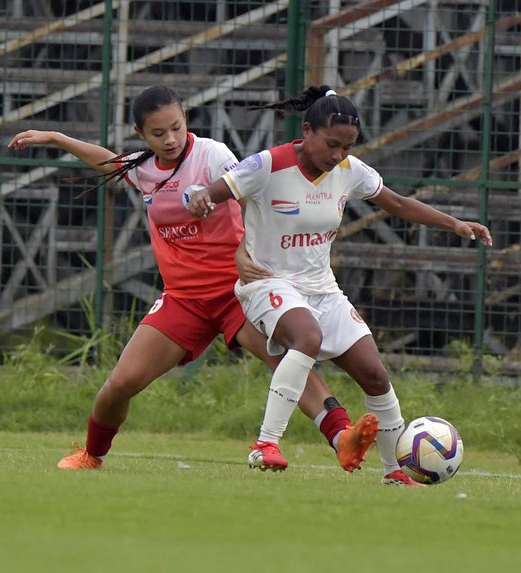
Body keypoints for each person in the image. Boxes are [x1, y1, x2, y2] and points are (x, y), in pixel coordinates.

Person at [8, 85, 378, 473]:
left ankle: (343, 437)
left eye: (176, 127)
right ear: (140, 134)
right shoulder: (145, 169)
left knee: (287, 360)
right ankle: (92, 454)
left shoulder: (212, 154)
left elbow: (251, 196)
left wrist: (241, 251)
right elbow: (109, 162)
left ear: (185, 119)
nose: (169, 139)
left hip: (238, 290)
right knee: (120, 383)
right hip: (184, 299)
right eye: (157, 133)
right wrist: (55, 138)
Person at [186, 85, 493, 486]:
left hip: (323, 289)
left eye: (347, 148)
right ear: (308, 130)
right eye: (331, 145)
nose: (338, 156)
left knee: (375, 373)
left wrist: (454, 223)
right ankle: (266, 444)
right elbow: (209, 193)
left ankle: (393, 471)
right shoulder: (267, 164)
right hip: (266, 283)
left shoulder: (350, 172)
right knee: (307, 337)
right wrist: (198, 199)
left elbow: (397, 203)